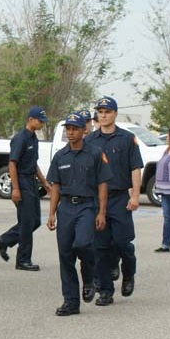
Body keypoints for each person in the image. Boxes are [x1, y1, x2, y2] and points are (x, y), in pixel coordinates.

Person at [46, 113, 111, 315]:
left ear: (84, 130)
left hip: (87, 206)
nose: (71, 132)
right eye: (68, 129)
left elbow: (102, 184)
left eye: (75, 128)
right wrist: (51, 214)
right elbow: (55, 186)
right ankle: (71, 301)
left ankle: (89, 276)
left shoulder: (95, 153)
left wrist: (102, 212)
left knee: (83, 244)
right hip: (66, 207)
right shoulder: (60, 156)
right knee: (65, 255)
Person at [85, 96, 143, 305]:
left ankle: (128, 274)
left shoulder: (127, 139)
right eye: (100, 112)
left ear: (115, 114)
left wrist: (135, 196)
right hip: (98, 200)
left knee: (122, 243)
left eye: (107, 112)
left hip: (119, 198)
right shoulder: (90, 140)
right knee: (100, 247)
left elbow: (135, 168)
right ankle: (106, 291)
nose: (103, 115)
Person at [0, 106, 51, 271]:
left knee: (34, 221)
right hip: (21, 181)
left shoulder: (33, 138)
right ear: (30, 119)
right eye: (40, 120)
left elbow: (34, 164)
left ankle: (4, 240)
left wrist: (44, 182)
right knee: (26, 222)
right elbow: (12, 164)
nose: (41, 124)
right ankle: (23, 260)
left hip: (31, 182)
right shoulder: (20, 139)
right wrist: (16, 189)